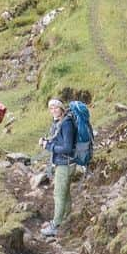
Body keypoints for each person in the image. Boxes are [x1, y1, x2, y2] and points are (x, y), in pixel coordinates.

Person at [39, 98, 76, 238]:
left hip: (65, 164)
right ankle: (67, 218)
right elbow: (57, 140)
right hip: (65, 163)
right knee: (65, 193)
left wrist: (48, 146)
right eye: (51, 108)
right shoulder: (59, 122)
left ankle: (55, 225)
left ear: (61, 108)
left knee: (58, 195)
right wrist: (47, 142)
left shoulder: (66, 124)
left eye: (56, 107)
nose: (53, 110)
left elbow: (66, 147)